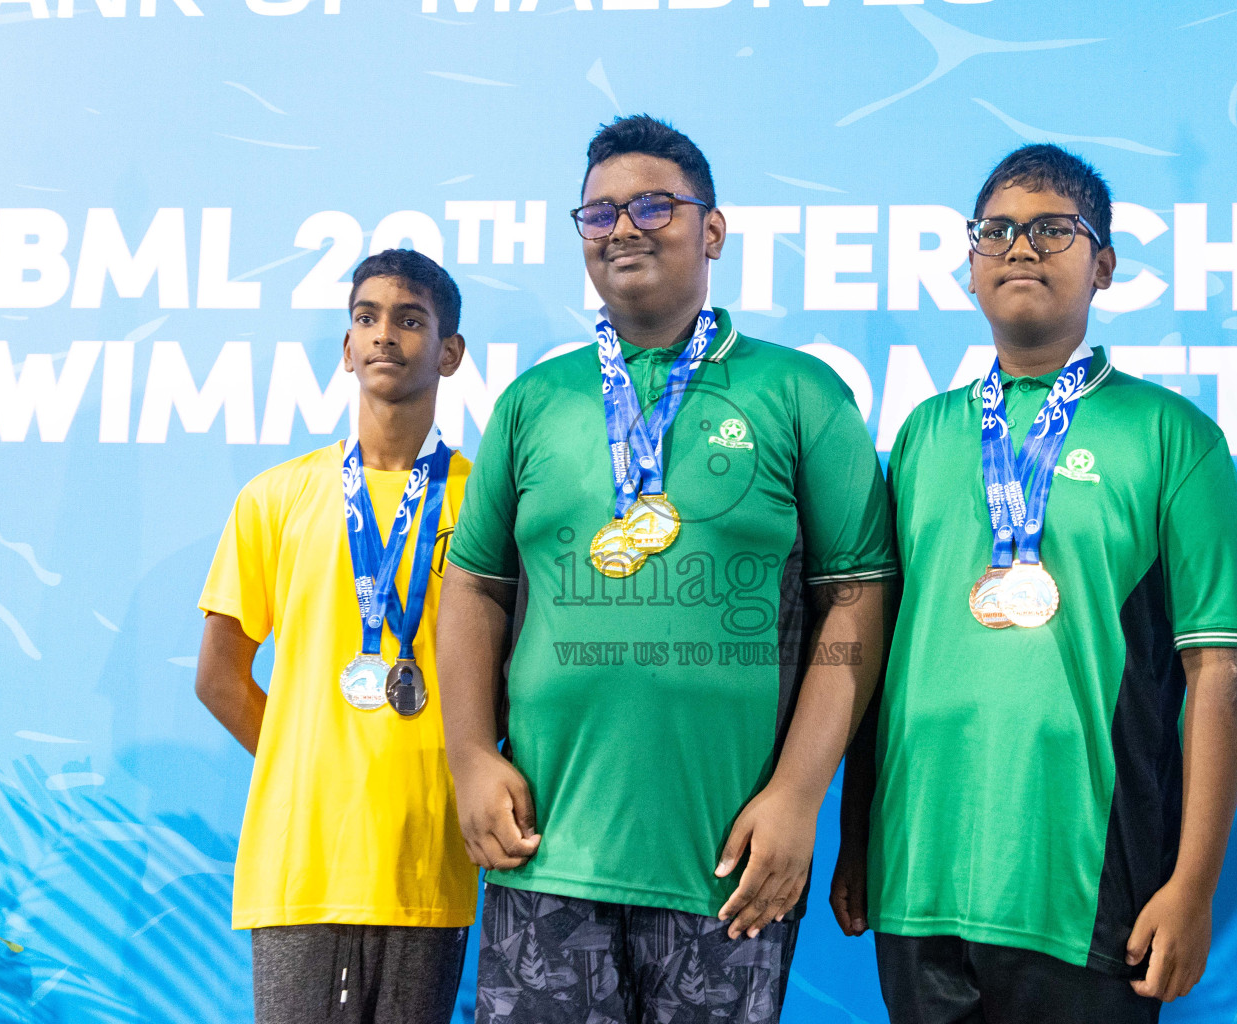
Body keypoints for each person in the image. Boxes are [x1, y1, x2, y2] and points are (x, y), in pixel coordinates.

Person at [438, 114, 896, 1024]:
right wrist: (467, 756)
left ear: (713, 230)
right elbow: (476, 586)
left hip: (727, 865)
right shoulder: (535, 398)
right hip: (547, 853)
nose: (624, 228)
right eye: (599, 213)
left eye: (654, 204)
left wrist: (800, 795)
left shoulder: (798, 392)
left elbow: (857, 599)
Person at [831, 144, 1237, 1023]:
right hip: (919, 876)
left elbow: (1221, 674)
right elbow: (878, 652)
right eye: (998, 230)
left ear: (1103, 265)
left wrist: (1195, 885)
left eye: (1053, 229)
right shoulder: (921, 436)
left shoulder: (1174, 436)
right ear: (969, 265)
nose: (1021, 247)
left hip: (1089, 886)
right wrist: (856, 838)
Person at [195, 248, 478, 1023]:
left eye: (411, 319)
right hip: (300, 861)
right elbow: (218, 676)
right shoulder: (276, 497)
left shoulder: (486, 501)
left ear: (449, 353)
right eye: (367, 318)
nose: (386, 335)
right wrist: (304, 758)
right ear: (348, 349)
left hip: (428, 856)